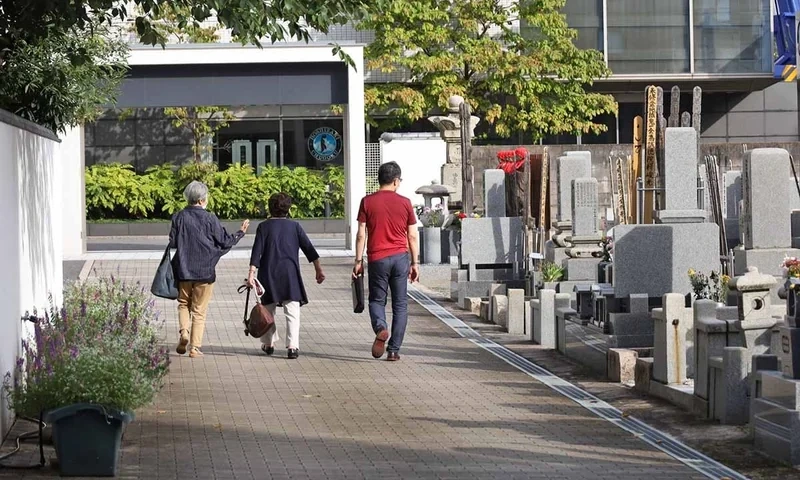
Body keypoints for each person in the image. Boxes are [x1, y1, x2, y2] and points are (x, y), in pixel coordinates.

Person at [169, 180, 249, 358]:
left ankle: (183, 332)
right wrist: (240, 233)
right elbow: (224, 241)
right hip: (205, 272)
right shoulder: (210, 217)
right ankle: (194, 348)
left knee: (183, 304)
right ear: (203, 199)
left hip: (183, 269)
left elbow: (173, 242)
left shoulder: (178, 216)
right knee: (199, 310)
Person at [352, 161, 420, 362]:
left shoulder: (367, 202)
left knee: (376, 300)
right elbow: (413, 236)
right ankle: (393, 350)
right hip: (400, 257)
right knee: (400, 305)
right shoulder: (406, 202)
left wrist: (358, 260)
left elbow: (361, 234)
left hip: (377, 258)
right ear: (396, 181)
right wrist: (415, 263)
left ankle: (381, 327)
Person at [247, 193, 325, 359]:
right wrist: (318, 269)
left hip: (268, 273)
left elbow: (256, 253)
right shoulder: (295, 226)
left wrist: (251, 274)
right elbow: (309, 249)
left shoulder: (263, 227)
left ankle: (268, 344)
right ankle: (292, 346)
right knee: (292, 311)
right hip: (290, 273)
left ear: (270, 207)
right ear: (288, 209)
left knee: (267, 310)